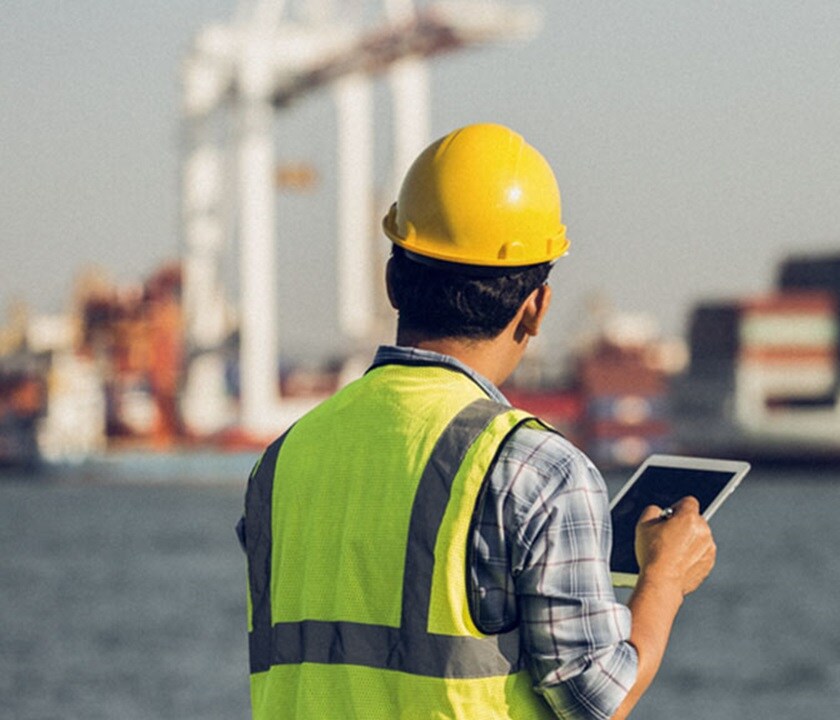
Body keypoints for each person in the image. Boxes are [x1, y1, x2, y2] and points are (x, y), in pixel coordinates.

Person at [238, 123, 716, 720]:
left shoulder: (282, 460)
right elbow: (596, 700)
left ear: (392, 281)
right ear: (536, 308)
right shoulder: (537, 469)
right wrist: (664, 579)